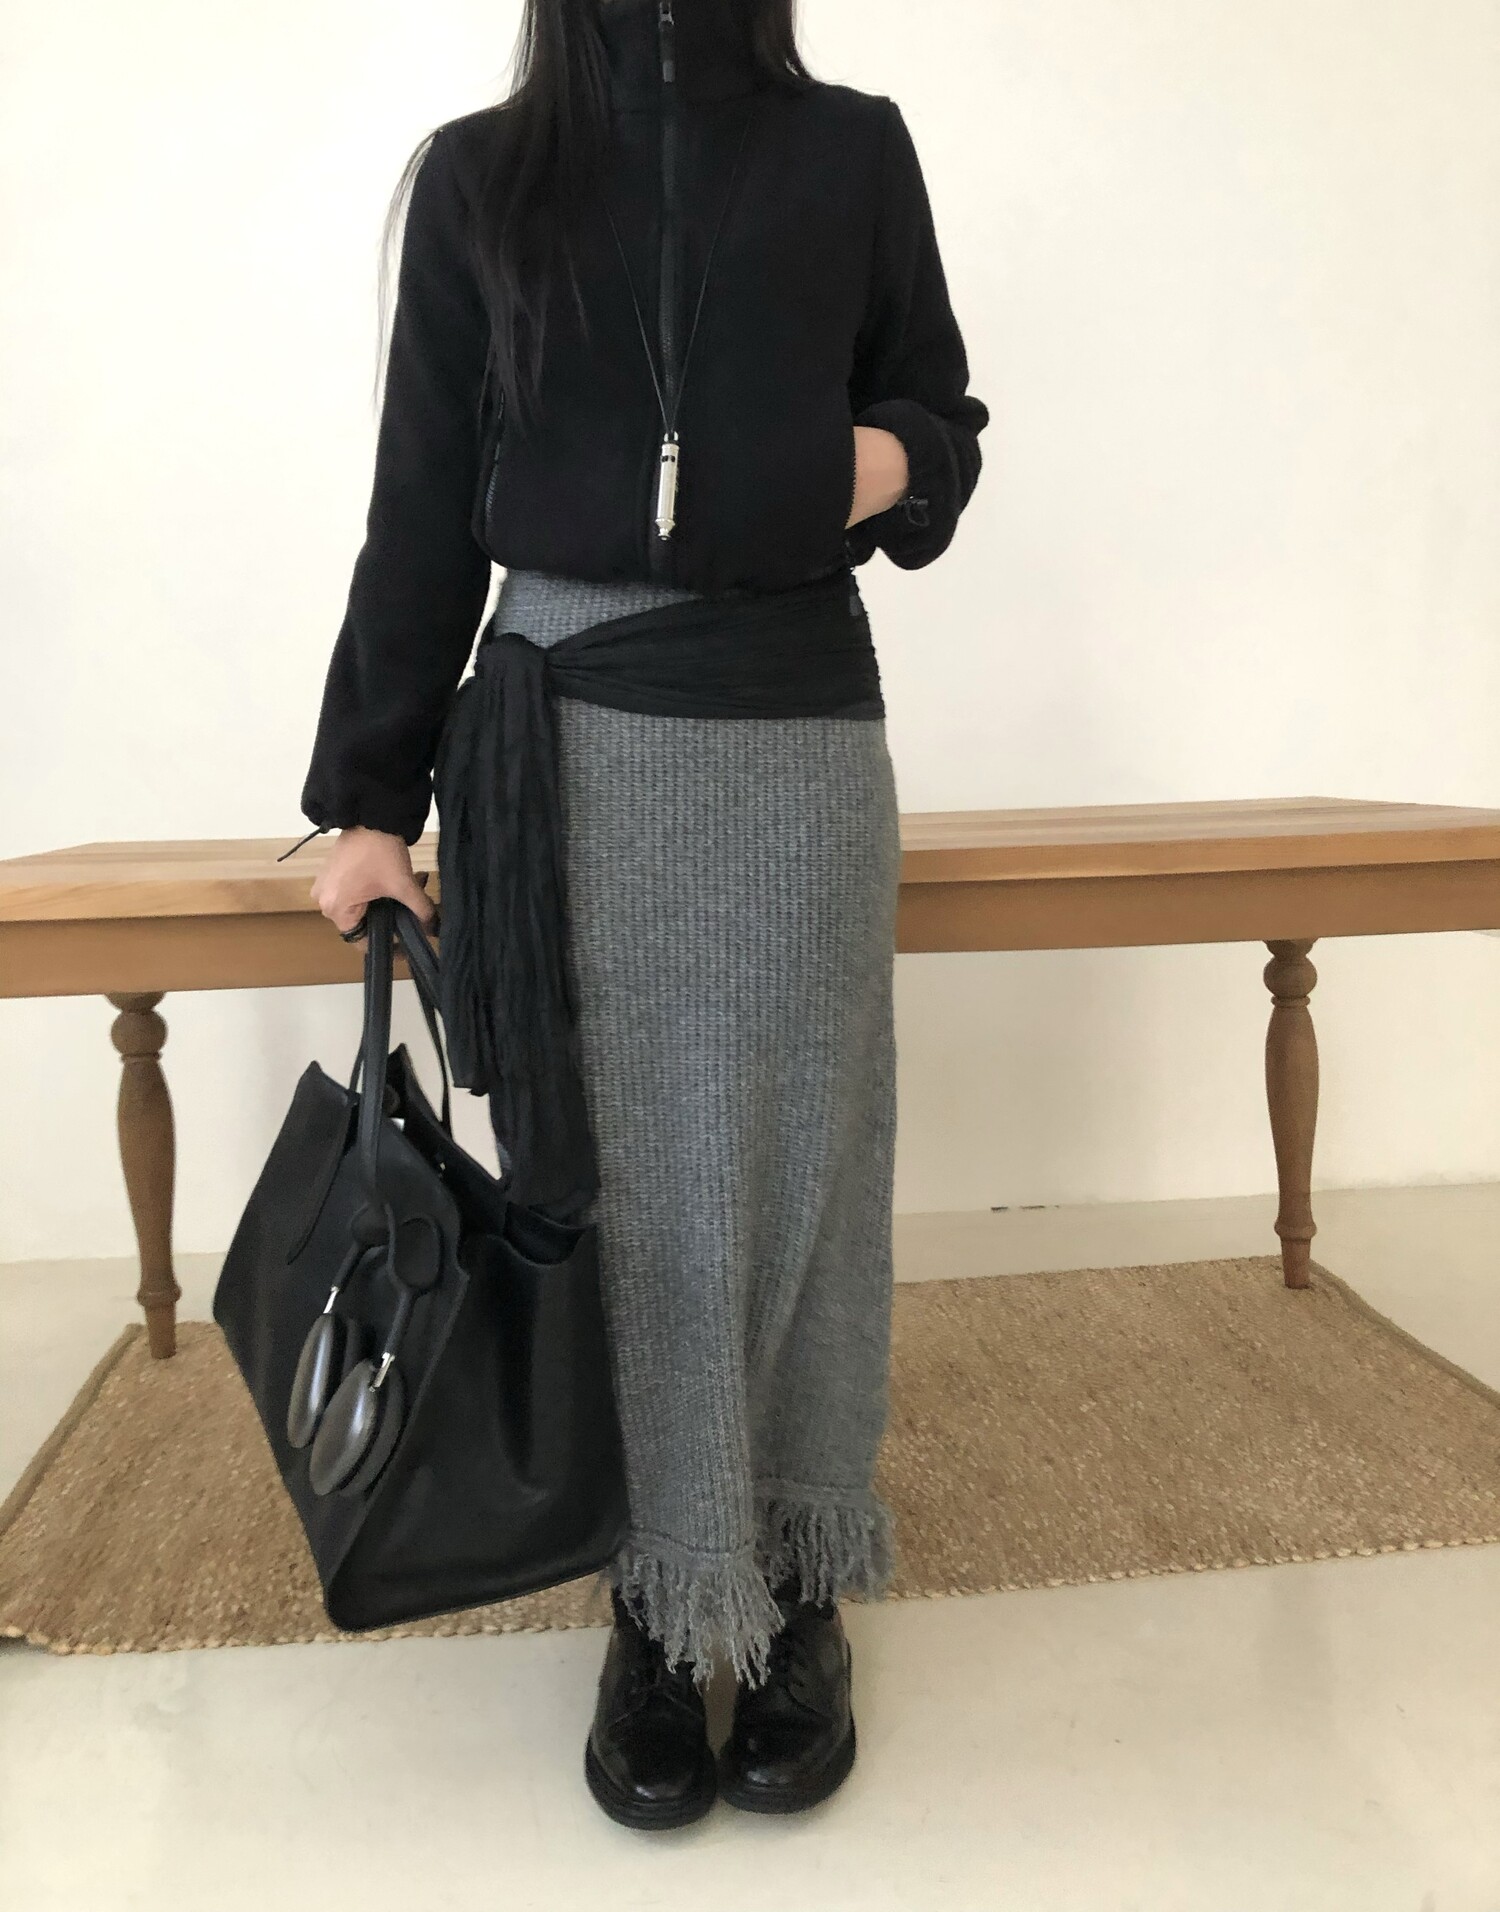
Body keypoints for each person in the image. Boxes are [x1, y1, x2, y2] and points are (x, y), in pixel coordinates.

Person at [299, 0, 987, 1831]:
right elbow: (421, 499)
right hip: (567, 754)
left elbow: (941, 421)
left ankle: (796, 1578)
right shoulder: (482, 178)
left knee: (803, 1163)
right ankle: (655, 1591)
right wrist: (368, 797)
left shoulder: (852, 148)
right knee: (607, 1184)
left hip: (793, 723)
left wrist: (856, 464)